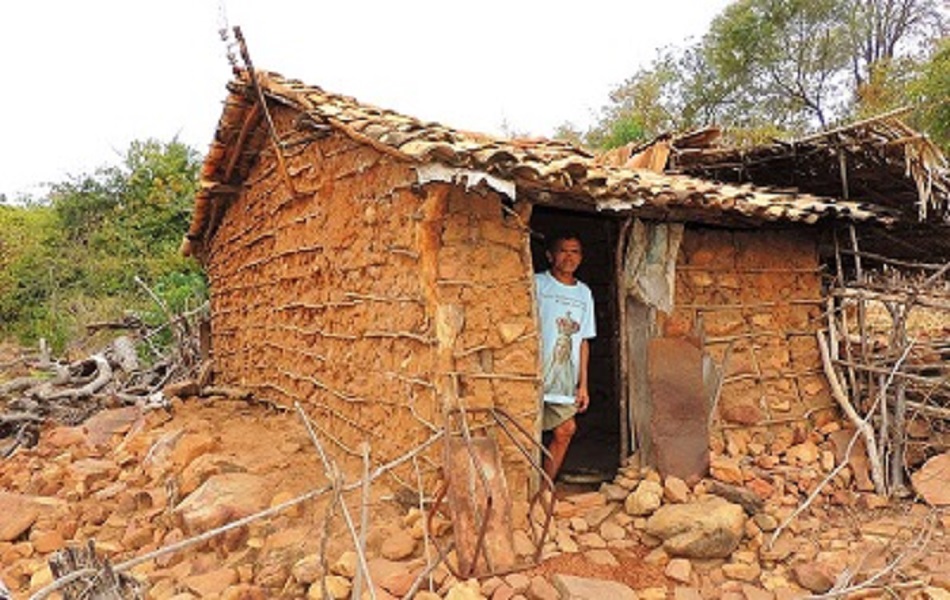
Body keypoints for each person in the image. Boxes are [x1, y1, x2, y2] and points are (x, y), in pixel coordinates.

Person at [534, 232, 596, 483]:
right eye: (563, 250)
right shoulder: (537, 284)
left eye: (576, 251)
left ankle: (545, 485)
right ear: (550, 255)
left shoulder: (584, 294)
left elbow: (583, 341)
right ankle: (522, 486)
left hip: (564, 378)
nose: (569, 257)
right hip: (535, 372)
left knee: (565, 429)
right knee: (526, 430)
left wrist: (583, 385)